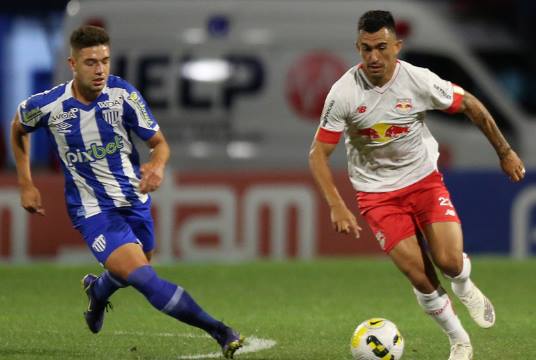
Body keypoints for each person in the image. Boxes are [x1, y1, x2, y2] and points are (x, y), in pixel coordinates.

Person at [10, 25, 244, 359]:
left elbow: (159, 145)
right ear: (72, 64)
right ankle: (221, 331)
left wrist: (158, 166)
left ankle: (98, 289)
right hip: (93, 211)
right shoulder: (49, 105)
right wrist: (26, 182)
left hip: (133, 201)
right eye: (91, 62)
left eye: (105, 60)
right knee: (145, 278)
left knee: (137, 265)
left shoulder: (123, 95)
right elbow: (18, 128)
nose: (101, 69)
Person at [309, 10, 525, 360]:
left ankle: (464, 283)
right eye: (365, 49)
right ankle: (459, 341)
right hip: (377, 195)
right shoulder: (343, 93)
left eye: (381, 47)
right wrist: (336, 203)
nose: (373, 57)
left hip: (423, 182)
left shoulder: (419, 81)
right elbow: (318, 154)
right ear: (357, 48)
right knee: (421, 277)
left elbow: (470, 104)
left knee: (449, 261)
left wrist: (505, 151)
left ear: (397, 46)